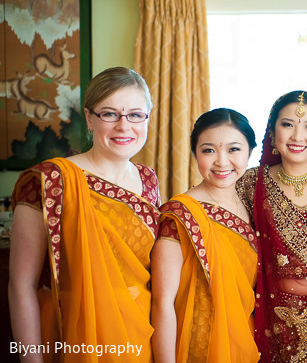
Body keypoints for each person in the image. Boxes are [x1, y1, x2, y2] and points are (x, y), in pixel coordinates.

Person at [9, 67, 161, 362]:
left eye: (135, 114)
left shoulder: (149, 179)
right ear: (90, 118)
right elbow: (21, 285)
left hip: (141, 335)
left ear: (147, 119)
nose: (123, 126)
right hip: (74, 336)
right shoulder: (49, 181)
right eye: (109, 114)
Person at [237, 91, 307, 362]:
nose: (298, 136)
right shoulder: (251, 183)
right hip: (273, 323)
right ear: (272, 130)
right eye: (288, 124)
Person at [151, 108, 259, 363]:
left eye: (233, 150)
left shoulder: (255, 207)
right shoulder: (180, 213)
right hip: (193, 349)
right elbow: (162, 303)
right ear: (195, 154)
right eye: (208, 150)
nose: (221, 162)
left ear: (250, 152)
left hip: (244, 345)